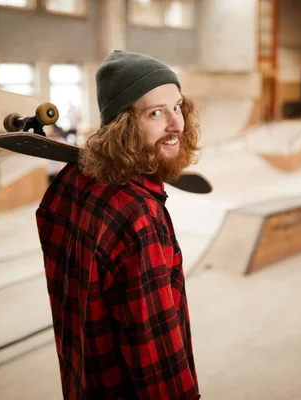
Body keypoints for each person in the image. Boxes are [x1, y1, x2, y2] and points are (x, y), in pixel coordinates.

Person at [35, 50, 202, 399]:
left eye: (177, 107)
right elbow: (156, 356)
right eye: (156, 113)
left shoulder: (73, 179)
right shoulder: (139, 217)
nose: (177, 125)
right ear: (123, 124)